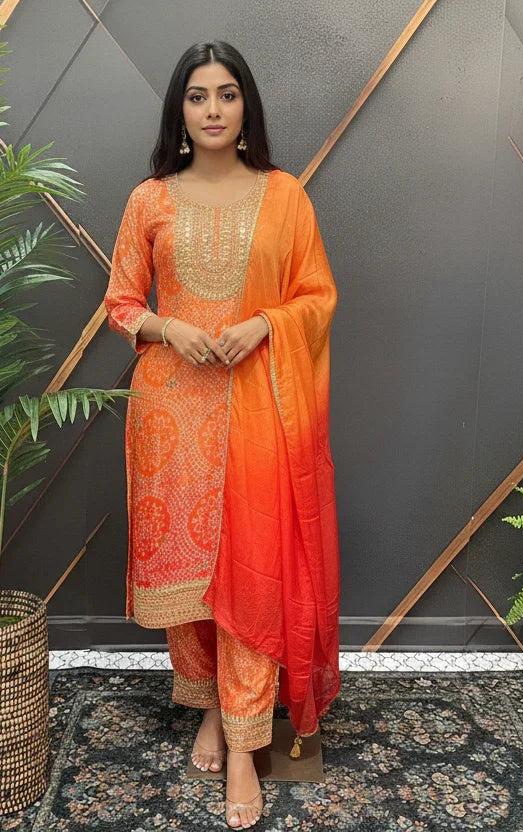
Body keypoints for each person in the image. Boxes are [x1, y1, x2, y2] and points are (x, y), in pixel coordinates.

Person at [104, 39, 341, 829]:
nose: (212, 109)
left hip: (256, 412)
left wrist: (265, 326)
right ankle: (207, 705)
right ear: (179, 110)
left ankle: (244, 745)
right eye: (198, 96)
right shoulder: (149, 199)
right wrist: (169, 327)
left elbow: (316, 296)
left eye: (227, 94)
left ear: (246, 109)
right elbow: (121, 305)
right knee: (189, 584)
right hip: (169, 416)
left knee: (248, 575)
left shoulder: (284, 196)